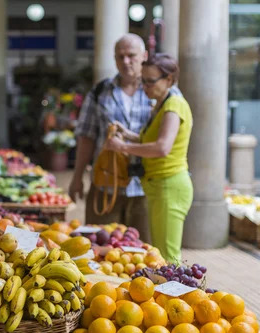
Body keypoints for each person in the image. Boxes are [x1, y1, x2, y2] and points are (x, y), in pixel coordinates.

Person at [70, 33, 181, 242]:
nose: (125, 61)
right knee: (99, 246)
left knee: (146, 250)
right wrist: (77, 178)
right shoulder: (100, 91)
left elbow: (173, 140)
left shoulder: (164, 92)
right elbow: (87, 137)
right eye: (120, 56)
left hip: (147, 185)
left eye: (131, 55)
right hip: (106, 183)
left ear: (144, 56)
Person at [105, 54, 193, 263]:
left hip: (169, 185)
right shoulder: (160, 105)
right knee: (161, 254)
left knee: (169, 257)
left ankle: (178, 295)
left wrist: (123, 146)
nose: (144, 86)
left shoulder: (174, 105)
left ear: (169, 80)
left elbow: (162, 147)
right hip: (158, 186)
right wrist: (127, 133)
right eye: (142, 81)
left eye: (150, 81)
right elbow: (149, 139)